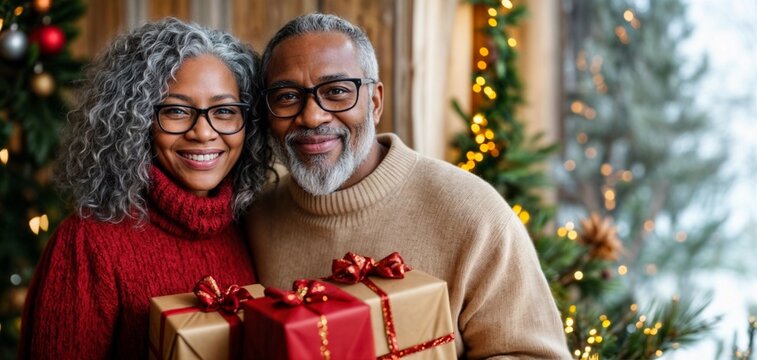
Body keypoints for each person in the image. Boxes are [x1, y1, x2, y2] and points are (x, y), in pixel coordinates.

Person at [245, 13, 569, 358]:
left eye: (337, 91)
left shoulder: (473, 213)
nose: (312, 116)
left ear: (375, 102)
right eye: (286, 97)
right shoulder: (257, 217)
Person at [18, 18, 270, 359]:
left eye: (224, 111)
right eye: (177, 110)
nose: (204, 132)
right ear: (137, 121)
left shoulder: (249, 222)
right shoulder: (88, 243)